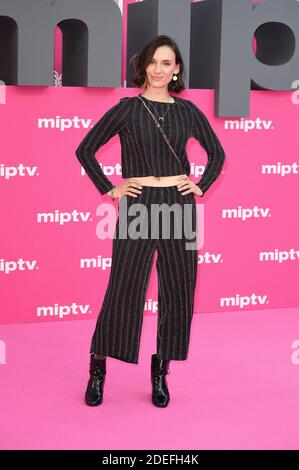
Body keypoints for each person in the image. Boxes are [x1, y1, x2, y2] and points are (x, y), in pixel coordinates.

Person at [75, 35, 226, 408]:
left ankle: (160, 373)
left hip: (179, 206)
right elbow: (85, 148)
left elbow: (218, 154)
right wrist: (110, 188)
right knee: (124, 288)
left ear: (176, 70)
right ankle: (98, 369)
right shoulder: (127, 108)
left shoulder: (188, 112)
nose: (159, 70)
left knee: (178, 291)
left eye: (167, 63)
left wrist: (200, 185)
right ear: (143, 66)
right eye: (153, 62)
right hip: (139, 204)